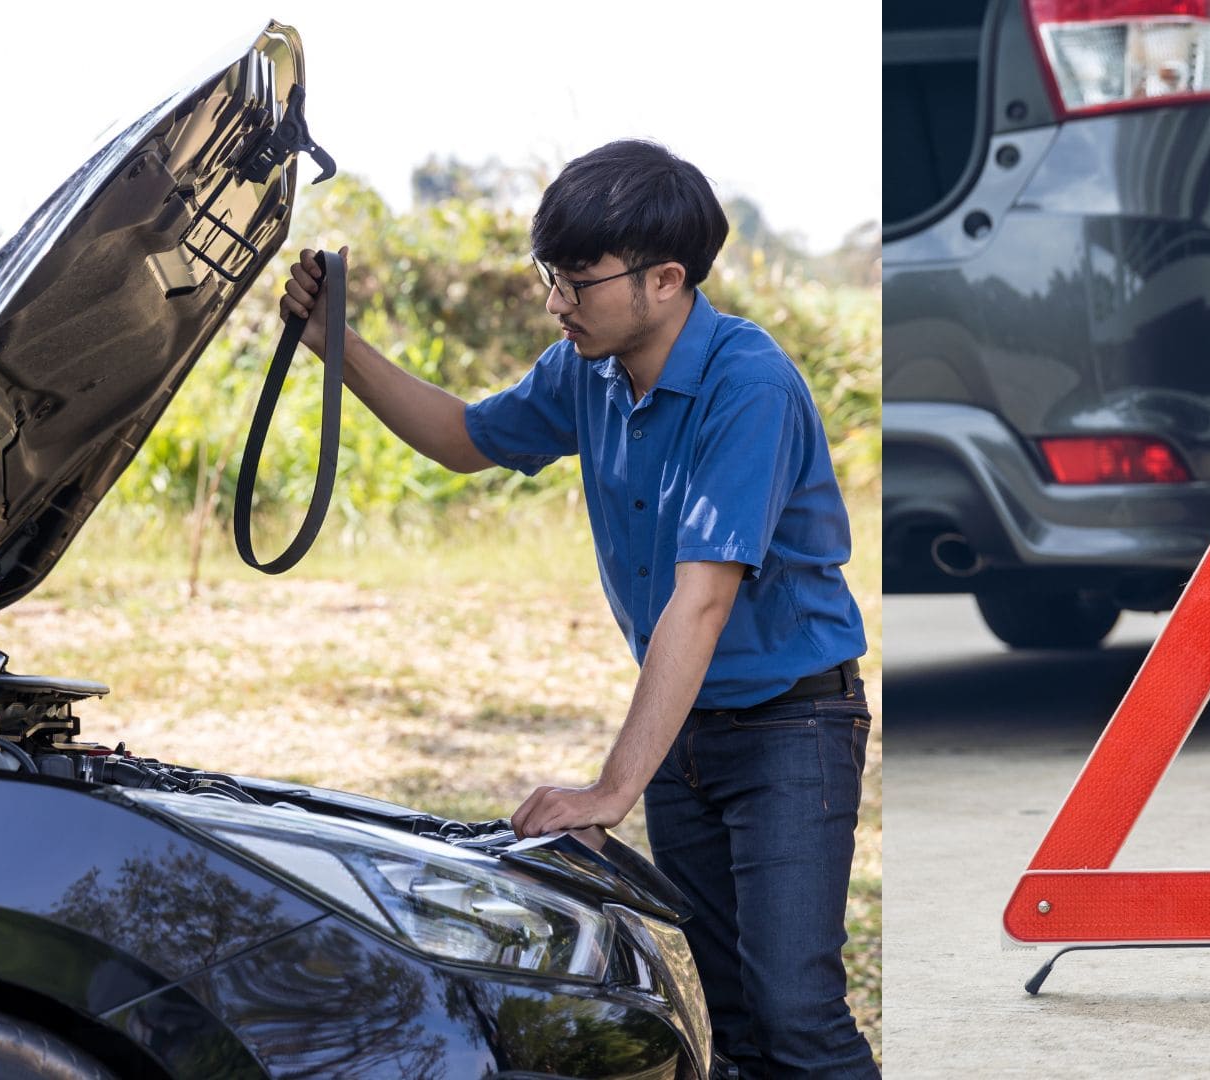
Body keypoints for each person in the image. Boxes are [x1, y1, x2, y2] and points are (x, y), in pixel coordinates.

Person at [277, 139, 875, 1079]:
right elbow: (465, 438)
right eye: (549, 275)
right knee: (739, 1028)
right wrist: (337, 344)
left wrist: (610, 791)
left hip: (790, 729)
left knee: (797, 1015)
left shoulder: (747, 387)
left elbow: (702, 602)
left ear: (666, 280)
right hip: (687, 733)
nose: (556, 302)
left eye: (578, 280)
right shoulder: (584, 371)